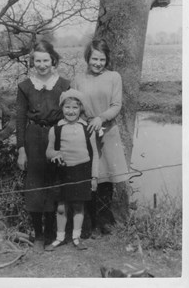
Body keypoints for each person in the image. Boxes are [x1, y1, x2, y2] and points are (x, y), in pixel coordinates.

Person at [16, 40, 70, 252]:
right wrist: (21, 149)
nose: (42, 64)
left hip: (57, 136)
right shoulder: (25, 86)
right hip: (34, 138)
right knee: (35, 186)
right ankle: (38, 235)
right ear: (32, 62)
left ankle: (52, 234)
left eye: (45, 60)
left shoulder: (64, 84)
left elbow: (72, 113)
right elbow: (20, 119)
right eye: (37, 60)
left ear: (52, 60)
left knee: (55, 185)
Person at [72, 38, 129, 236]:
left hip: (108, 132)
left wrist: (101, 118)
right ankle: (88, 222)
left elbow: (116, 105)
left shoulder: (114, 77)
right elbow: (74, 105)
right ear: (88, 58)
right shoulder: (79, 79)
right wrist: (83, 122)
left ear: (107, 60)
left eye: (102, 60)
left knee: (105, 178)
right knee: (89, 177)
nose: (98, 63)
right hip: (86, 133)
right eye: (95, 59)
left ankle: (104, 221)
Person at [45, 89, 98, 251]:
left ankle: (76, 237)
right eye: (67, 107)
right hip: (62, 171)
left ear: (81, 109)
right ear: (62, 108)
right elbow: (48, 151)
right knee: (61, 206)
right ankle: (60, 237)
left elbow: (95, 153)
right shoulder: (55, 129)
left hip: (82, 170)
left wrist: (94, 177)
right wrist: (54, 154)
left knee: (78, 205)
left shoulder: (87, 128)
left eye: (75, 108)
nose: (71, 111)